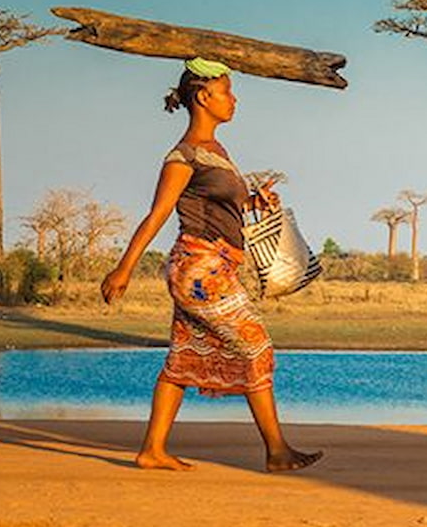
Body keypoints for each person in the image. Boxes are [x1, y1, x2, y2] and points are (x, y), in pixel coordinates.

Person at [101, 57, 323, 473]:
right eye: (227, 92)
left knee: (183, 357)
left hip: (214, 266)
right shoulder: (183, 157)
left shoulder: (217, 152)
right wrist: (124, 268)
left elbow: (225, 209)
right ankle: (277, 450)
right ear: (204, 97)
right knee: (257, 347)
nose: (234, 100)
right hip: (199, 268)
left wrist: (256, 202)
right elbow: (158, 213)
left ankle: (153, 450)